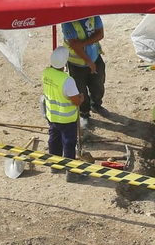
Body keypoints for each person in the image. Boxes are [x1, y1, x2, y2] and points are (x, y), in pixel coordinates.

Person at [41, 46, 85, 180]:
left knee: (54, 140)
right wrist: (81, 98)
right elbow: (76, 102)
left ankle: (54, 165)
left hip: (51, 115)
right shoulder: (67, 81)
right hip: (67, 119)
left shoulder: (46, 73)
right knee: (69, 143)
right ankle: (70, 173)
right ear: (65, 63)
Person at [60, 15, 106, 121]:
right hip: (77, 64)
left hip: (95, 58)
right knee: (80, 91)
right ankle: (84, 112)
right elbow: (75, 46)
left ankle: (96, 104)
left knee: (98, 85)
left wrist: (82, 43)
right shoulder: (68, 22)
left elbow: (100, 34)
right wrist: (89, 62)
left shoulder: (93, 16)